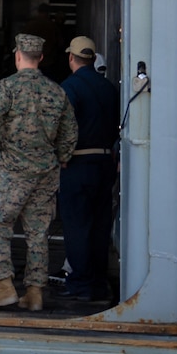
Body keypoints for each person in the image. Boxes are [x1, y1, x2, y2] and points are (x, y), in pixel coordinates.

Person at [0, 32, 79, 311]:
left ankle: (4, 287)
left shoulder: (6, 87)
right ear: (41, 58)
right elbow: (70, 132)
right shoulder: (57, 91)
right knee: (38, 232)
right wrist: (61, 157)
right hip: (46, 172)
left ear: (18, 55)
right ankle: (34, 292)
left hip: (11, 169)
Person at [58, 36, 118, 303]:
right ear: (94, 59)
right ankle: (97, 281)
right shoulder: (109, 87)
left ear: (71, 58)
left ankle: (81, 283)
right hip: (105, 163)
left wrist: (62, 155)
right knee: (100, 224)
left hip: (78, 162)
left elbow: (64, 127)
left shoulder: (70, 87)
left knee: (77, 224)